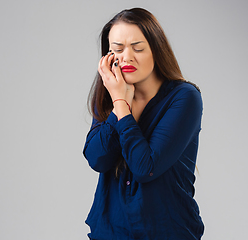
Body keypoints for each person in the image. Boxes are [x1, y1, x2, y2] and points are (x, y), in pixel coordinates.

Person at [83, 7, 204, 240]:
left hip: (167, 232)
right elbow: (97, 158)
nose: (126, 57)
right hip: (110, 232)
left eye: (137, 48)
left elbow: (144, 167)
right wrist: (118, 100)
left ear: (156, 50)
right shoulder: (108, 95)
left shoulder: (185, 98)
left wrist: (121, 105)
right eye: (117, 49)